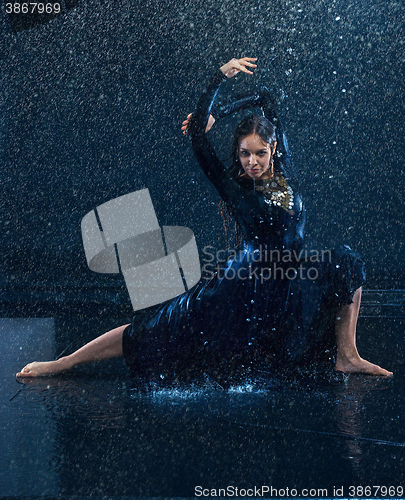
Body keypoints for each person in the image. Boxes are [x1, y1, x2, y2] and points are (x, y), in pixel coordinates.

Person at [16, 57, 392, 381]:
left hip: (287, 280)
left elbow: (266, 98)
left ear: (273, 148)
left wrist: (222, 113)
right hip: (242, 287)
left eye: (259, 154)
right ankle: (64, 362)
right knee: (155, 329)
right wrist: (218, 81)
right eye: (245, 155)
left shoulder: (284, 169)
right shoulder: (237, 188)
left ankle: (348, 355)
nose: (252, 163)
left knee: (346, 262)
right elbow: (196, 134)